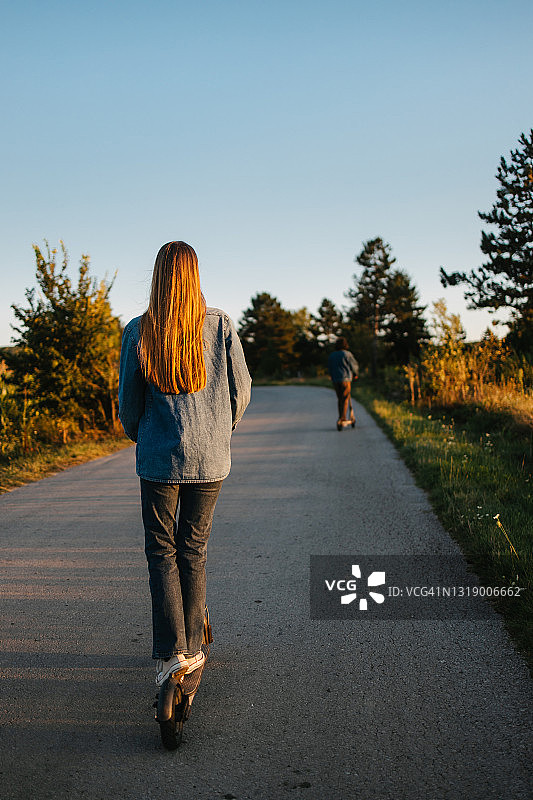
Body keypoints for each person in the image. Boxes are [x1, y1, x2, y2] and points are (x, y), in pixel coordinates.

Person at [118, 241, 251, 688]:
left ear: (157, 277)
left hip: (158, 458)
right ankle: (192, 649)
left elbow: (129, 406)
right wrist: (219, 430)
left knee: (162, 551)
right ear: (195, 275)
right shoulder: (221, 326)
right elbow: (241, 391)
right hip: (211, 458)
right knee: (193, 548)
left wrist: (145, 436)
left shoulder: (139, 330)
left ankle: (170, 654)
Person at [327, 337, 359, 430]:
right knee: (345, 398)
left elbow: (330, 367)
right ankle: (342, 418)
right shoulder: (347, 354)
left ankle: (341, 417)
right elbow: (354, 365)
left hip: (335, 379)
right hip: (345, 379)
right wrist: (355, 374)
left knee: (340, 399)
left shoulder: (332, 355)